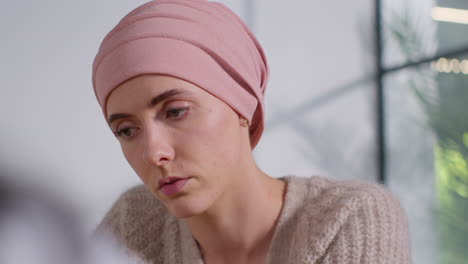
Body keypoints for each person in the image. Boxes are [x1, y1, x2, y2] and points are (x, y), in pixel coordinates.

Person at [91, 0, 411, 263]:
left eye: (176, 111)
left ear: (243, 106)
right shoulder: (132, 224)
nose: (153, 153)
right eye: (127, 130)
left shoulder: (350, 219)